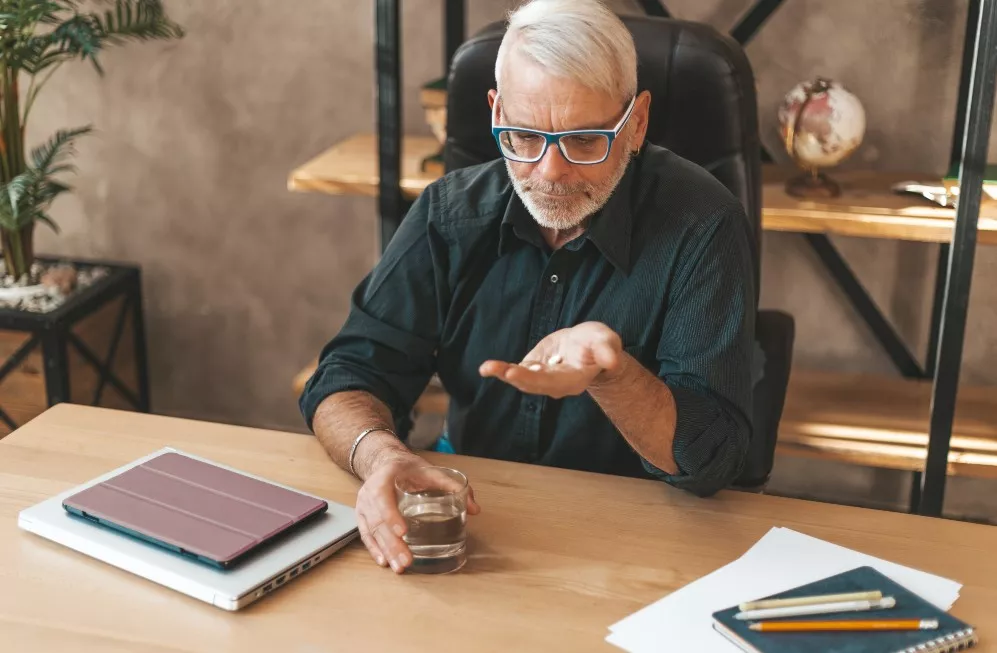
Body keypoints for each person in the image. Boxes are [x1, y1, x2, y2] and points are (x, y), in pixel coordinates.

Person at [300, 0, 755, 574]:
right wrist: (380, 455)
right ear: (495, 111)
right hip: (478, 518)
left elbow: (715, 456)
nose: (549, 171)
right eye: (522, 136)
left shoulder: (702, 224)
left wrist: (614, 377)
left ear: (635, 123)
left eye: (585, 141)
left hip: (639, 536)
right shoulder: (448, 214)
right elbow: (345, 377)